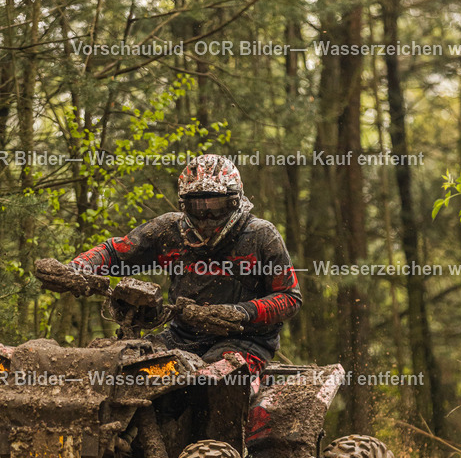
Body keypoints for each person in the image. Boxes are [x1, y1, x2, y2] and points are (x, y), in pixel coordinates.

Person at [71, 154, 301, 374]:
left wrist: (243, 312)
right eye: (198, 208)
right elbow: (115, 252)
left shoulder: (261, 235)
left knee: (214, 384)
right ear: (185, 205)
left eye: (216, 207)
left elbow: (290, 297)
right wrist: (77, 268)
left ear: (234, 201)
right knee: (126, 365)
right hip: (182, 337)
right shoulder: (170, 231)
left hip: (246, 341)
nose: (206, 217)